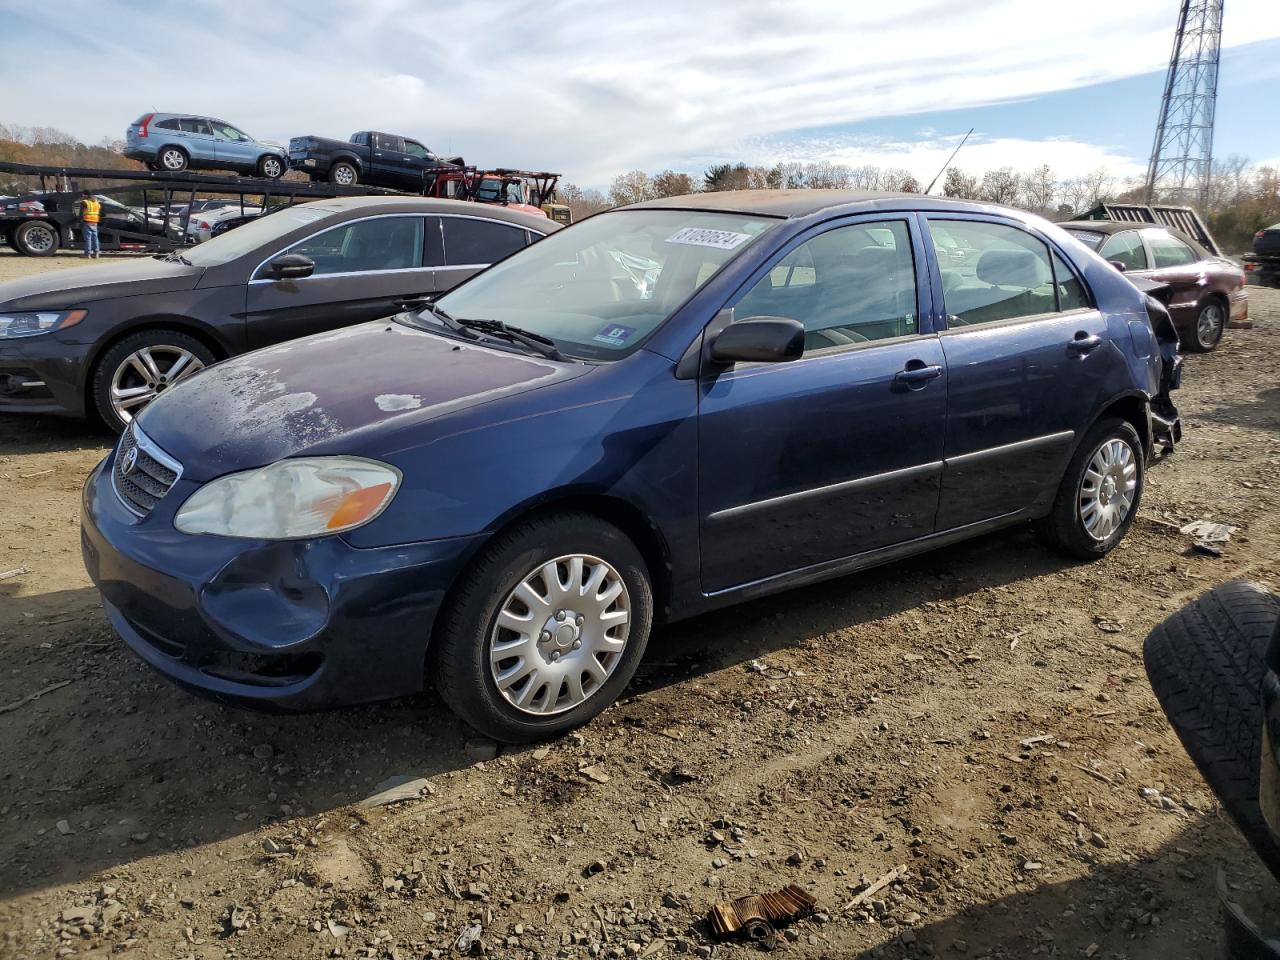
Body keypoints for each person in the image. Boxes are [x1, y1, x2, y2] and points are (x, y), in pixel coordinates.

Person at [78, 190, 101, 258]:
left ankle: (87, 254)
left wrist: (79, 221)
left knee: (88, 238)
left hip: (87, 221)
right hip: (95, 222)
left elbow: (80, 213)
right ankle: (96, 253)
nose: (82, 196)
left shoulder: (85, 202)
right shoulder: (96, 202)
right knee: (95, 238)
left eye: (83, 194)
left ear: (86, 195)